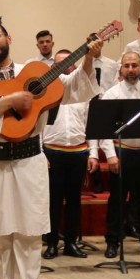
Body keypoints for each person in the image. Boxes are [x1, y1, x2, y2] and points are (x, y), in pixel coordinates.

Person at [0, 18, 101, 279]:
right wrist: (8, 101)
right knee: (0, 233)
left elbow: (73, 89)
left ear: (8, 38)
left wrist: (89, 59)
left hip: (29, 160)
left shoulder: (34, 72)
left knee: (29, 232)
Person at [100, 52, 140, 259]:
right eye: (127, 65)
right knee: (117, 201)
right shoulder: (112, 94)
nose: (130, 69)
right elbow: (104, 129)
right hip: (122, 152)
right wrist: (110, 155)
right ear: (121, 68)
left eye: (134, 65)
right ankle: (113, 242)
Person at [42, 49, 96, 259]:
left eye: (68, 63)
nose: (64, 66)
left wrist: (93, 153)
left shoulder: (82, 91)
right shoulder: (44, 91)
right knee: (53, 202)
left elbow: (91, 125)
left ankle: (71, 243)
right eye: (59, 63)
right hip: (52, 152)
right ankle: (52, 243)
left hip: (78, 152)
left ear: (74, 66)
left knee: (74, 201)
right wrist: (40, 153)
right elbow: (36, 126)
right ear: (53, 67)